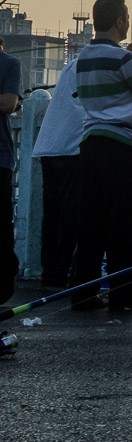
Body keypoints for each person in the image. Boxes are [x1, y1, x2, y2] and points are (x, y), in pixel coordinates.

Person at [69, 0, 132, 311]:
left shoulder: (84, 56)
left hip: (91, 143)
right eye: (126, 17)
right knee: (123, 221)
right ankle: (123, 293)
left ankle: (83, 293)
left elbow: (113, 76)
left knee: (92, 222)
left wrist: (131, 59)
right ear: (120, 20)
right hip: (122, 146)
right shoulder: (123, 60)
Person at [31, 58, 85, 288]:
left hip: (50, 145)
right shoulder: (93, 64)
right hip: (72, 146)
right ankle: (61, 271)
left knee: (52, 214)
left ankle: (51, 273)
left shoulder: (72, 64)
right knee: (70, 214)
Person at [0, 37, 22, 305]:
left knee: (1, 224)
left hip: (0, 157)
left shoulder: (9, 63)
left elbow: (8, 103)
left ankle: (4, 283)